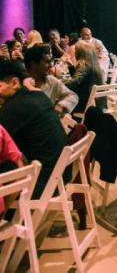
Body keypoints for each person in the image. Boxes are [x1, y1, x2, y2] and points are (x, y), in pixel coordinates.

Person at [0, 60, 68, 197]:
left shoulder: (13, 108)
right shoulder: (39, 95)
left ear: (14, 83)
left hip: (41, 184)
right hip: (61, 175)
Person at [24, 44, 78, 115]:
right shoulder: (21, 84)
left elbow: (73, 96)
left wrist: (61, 105)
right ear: (33, 64)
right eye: (47, 62)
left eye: (50, 61)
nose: (51, 65)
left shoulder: (50, 80)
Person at [62, 41, 103, 114]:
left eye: (76, 51)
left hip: (83, 105)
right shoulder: (94, 65)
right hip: (96, 103)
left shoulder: (84, 65)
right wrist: (71, 66)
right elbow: (81, 79)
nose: (75, 53)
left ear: (80, 53)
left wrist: (59, 84)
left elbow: (75, 81)